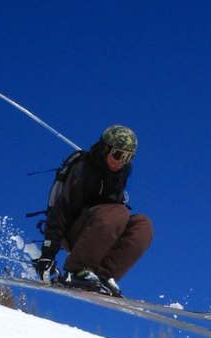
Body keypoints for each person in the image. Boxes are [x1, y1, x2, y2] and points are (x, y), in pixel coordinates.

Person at [33, 125, 153, 297]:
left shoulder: (119, 175)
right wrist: (48, 254)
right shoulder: (83, 170)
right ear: (106, 149)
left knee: (143, 225)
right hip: (75, 232)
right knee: (119, 212)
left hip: (100, 232)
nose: (121, 161)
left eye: (128, 157)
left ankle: (103, 276)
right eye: (118, 154)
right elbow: (61, 210)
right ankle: (79, 270)